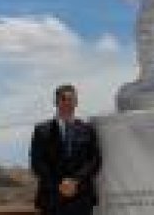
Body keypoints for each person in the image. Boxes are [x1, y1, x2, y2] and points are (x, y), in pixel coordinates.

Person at [30, 84, 102, 214]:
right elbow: (37, 162)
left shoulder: (87, 129)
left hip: (81, 198)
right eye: (63, 99)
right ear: (56, 102)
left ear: (76, 102)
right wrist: (60, 184)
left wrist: (75, 181)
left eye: (71, 99)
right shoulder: (41, 130)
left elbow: (94, 160)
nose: (67, 103)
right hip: (52, 198)